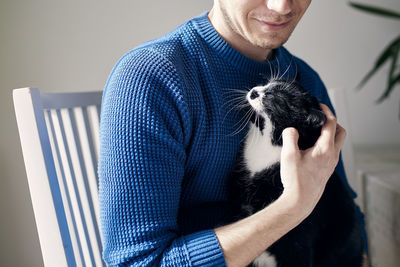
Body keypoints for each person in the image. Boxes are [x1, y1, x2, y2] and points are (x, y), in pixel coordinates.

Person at [99, 0, 368, 266]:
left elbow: (344, 219)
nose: (282, 6)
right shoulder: (151, 78)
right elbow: (139, 262)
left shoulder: (305, 81)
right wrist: (292, 208)